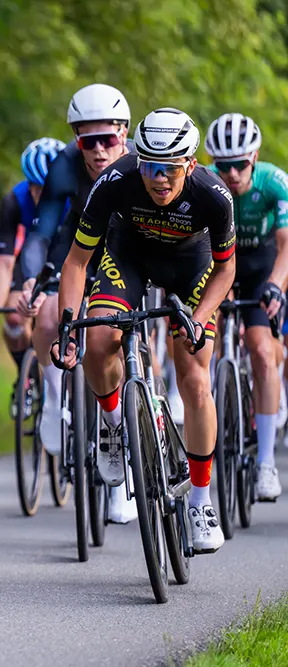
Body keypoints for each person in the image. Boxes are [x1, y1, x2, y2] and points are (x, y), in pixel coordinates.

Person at [55, 108, 236, 553]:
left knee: (195, 375)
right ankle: (113, 425)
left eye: (169, 168)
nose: (158, 178)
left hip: (190, 266)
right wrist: (67, 327)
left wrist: (200, 317)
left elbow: (226, 269)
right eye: (149, 166)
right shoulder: (116, 180)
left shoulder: (214, 195)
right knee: (100, 339)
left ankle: (200, 501)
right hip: (129, 257)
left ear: (190, 164)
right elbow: (76, 262)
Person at [16, 84, 138, 523]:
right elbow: (42, 232)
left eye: (108, 139)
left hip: (128, 250)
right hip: (78, 247)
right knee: (49, 316)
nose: (99, 150)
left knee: (118, 338)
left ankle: (130, 446)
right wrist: (32, 278)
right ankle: (54, 399)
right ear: (76, 140)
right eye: (89, 141)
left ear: (124, 133)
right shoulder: (66, 164)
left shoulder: (141, 162)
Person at [205, 112, 288, 501]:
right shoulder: (204, 183)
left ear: (254, 157)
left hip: (260, 268)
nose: (233, 173)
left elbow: (286, 244)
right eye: (224, 166)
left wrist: (275, 285)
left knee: (261, 351)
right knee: (201, 342)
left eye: (240, 164)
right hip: (218, 266)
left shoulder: (273, 182)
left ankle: (266, 462)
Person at [0, 138, 67, 372]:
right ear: (30, 185)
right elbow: (5, 262)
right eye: (39, 189)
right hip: (30, 260)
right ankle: (29, 375)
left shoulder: (76, 198)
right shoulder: (15, 200)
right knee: (14, 319)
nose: (46, 197)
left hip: (67, 256)